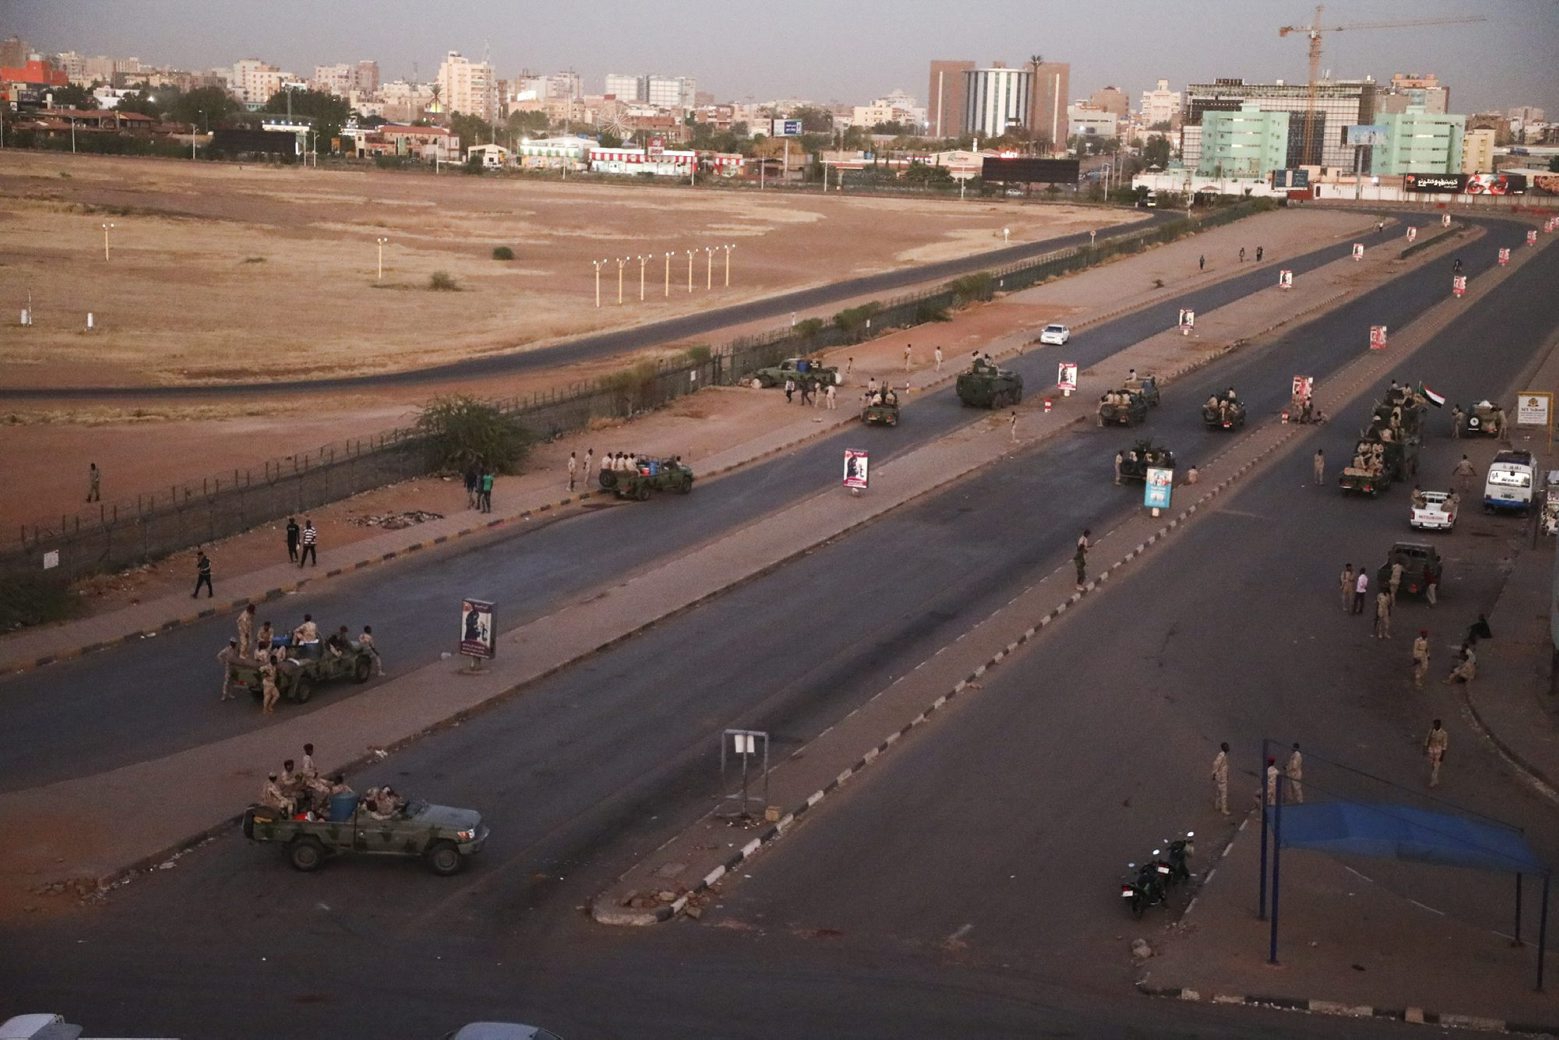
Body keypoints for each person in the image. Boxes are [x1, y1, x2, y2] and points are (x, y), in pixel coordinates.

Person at [1423, 719, 1449, 787]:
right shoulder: (1431, 731)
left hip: (1438, 750)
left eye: (1436, 724)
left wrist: (1442, 755)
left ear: (1439, 725)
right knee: (1432, 764)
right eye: (1434, 724)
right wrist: (1425, 748)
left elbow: (1444, 745)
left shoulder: (1444, 733)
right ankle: (1435, 778)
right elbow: (1427, 739)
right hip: (1431, 749)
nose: (1434, 725)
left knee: (1436, 765)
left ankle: (1433, 780)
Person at [1211, 742, 1229, 815]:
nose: (1228, 748)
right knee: (1224, 793)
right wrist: (1214, 774)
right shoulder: (1222, 756)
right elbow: (1216, 764)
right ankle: (1224, 809)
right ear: (1224, 748)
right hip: (1222, 777)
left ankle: (1217, 805)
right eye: (1227, 746)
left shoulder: (1223, 755)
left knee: (1218, 792)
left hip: (1222, 776)